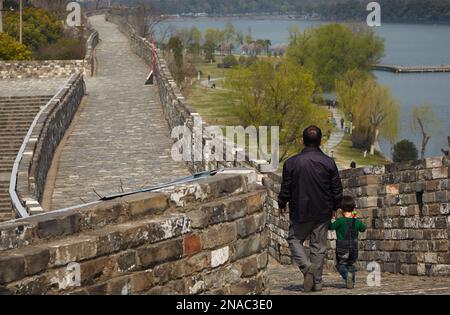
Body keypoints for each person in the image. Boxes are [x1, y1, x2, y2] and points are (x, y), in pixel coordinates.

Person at [278, 125, 343, 292]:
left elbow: (286, 187)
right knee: (318, 246)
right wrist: (336, 206)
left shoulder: (291, 163)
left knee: (294, 240)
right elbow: (336, 188)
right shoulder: (329, 162)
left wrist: (281, 203)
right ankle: (317, 282)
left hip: (300, 209)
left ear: (302, 141)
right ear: (321, 141)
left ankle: (307, 268)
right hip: (323, 210)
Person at [329, 196, 367, 289]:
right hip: (354, 248)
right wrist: (355, 217)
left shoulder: (340, 221)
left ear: (341, 210)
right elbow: (363, 228)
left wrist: (332, 218)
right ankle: (351, 282)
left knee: (340, 265)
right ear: (354, 209)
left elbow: (331, 227)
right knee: (350, 265)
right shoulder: (356, 221)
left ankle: (346, 276)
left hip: (342, 248)